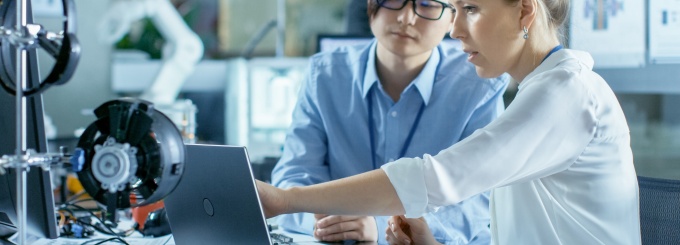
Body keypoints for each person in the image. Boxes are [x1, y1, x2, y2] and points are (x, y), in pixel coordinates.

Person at [257, 0, 642, 244]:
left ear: (525, 10)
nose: (455, 30)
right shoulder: (540, 89)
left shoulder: (565, 93)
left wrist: (285, 201)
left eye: (470, 9)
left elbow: (435, 179)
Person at [272, 0, 508, 243]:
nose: (406, 18)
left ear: (452, 17)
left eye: (426, 4)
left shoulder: (479, 86)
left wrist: (386, 227)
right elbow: (295, 175)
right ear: (370, 6)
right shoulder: (324, 75)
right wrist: (332, 221)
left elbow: (479, 195)